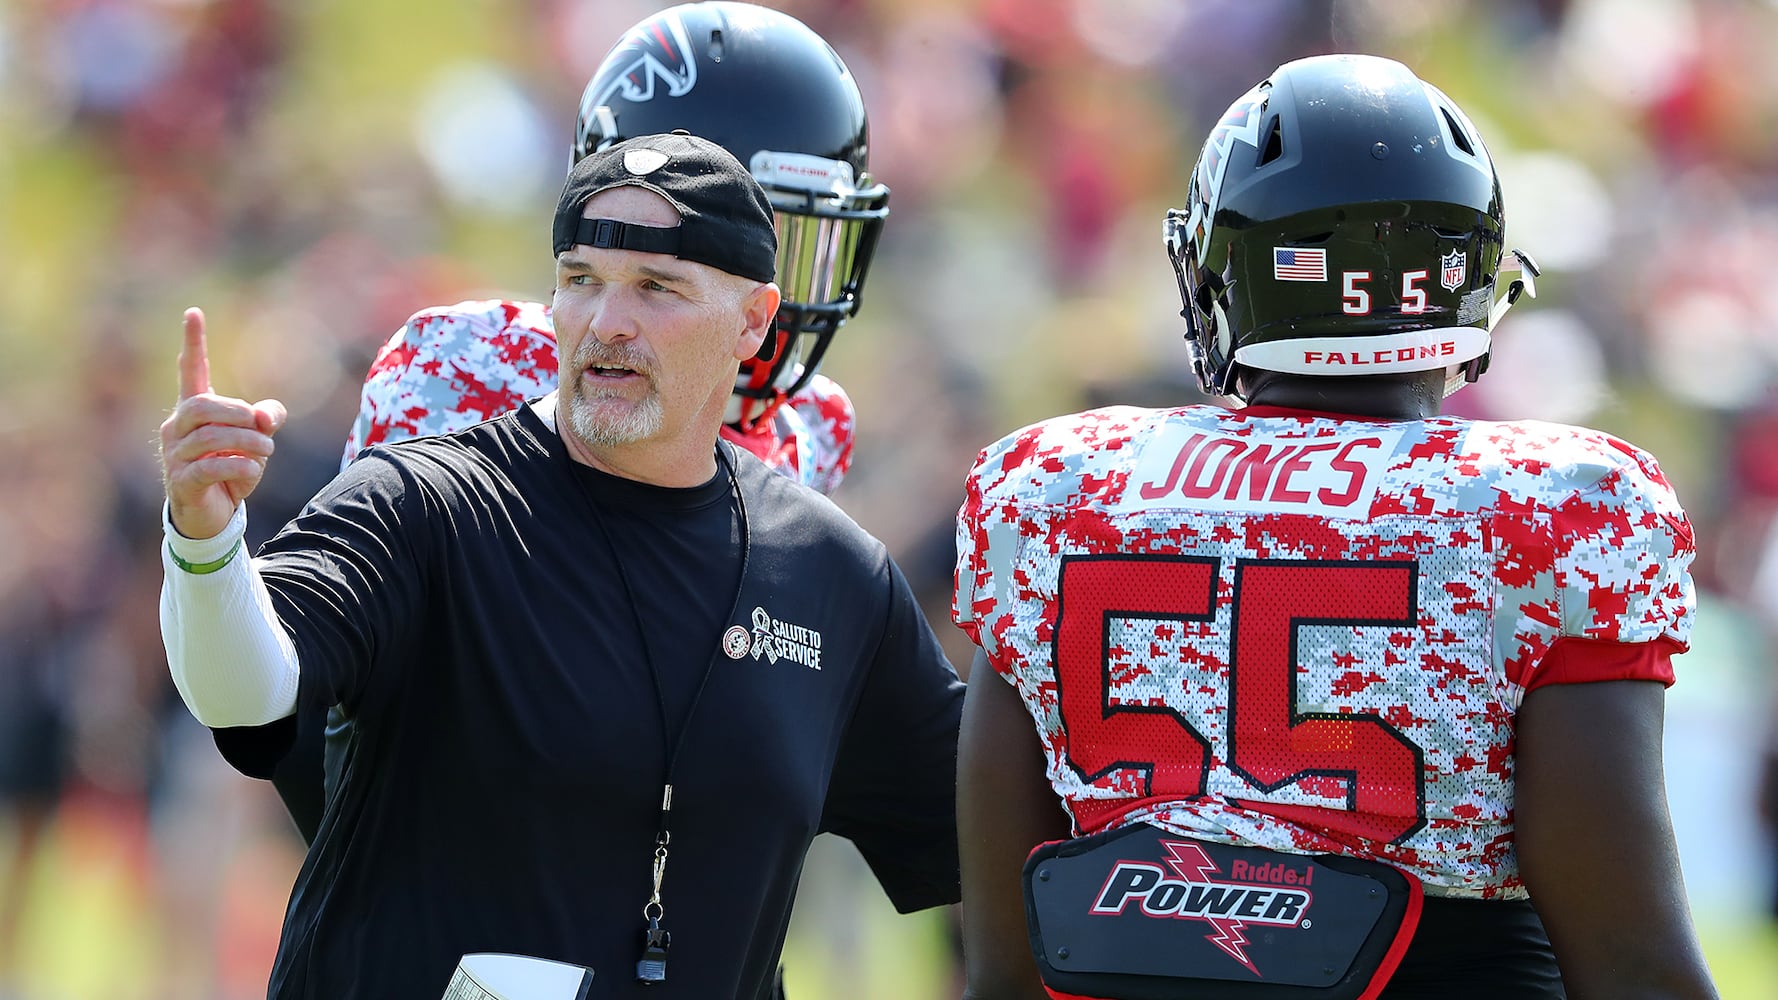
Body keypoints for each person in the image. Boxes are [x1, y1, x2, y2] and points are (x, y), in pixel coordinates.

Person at [951, 54, 1719, 1000]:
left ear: (1220, 270)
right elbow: (1630, 961)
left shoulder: (1049, 484)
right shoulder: (1557, 503)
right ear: (1469, 276)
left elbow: (1001, 962)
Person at [158, 131, 963, 999]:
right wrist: (203, 542)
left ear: (754, 321)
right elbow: (245, 694)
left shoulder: (829, 569)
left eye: (657, 288)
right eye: (581, 280)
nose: (606, 322)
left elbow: (976, 834)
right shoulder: (425, 502)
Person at [217, 0, 892, 848]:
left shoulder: (815, 422)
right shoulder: (470, 365)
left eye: (793, 243)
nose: (779, 292)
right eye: (741, 240)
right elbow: (347, 717)